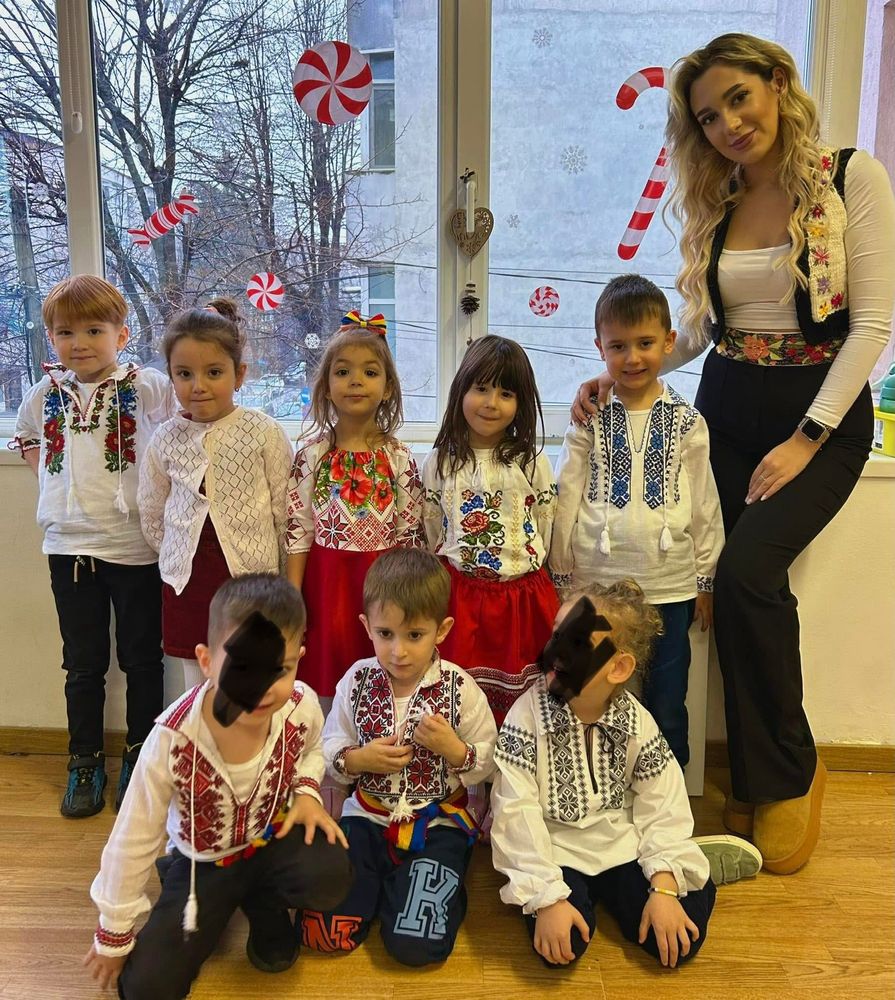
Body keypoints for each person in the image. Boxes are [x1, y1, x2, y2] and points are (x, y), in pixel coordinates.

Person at [574, 34, 895, 874]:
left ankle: (788, 773)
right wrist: (624, 372)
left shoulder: (848, 178)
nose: (726, 125)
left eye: (737, 99)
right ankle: (745, 777)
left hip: (818, 411)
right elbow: (703, 329)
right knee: (714, 588)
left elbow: (871, 326)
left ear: (777, 84)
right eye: (708, 116)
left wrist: (806, 438)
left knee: (751, 573)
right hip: (725, 402)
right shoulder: (718, 194)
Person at [84, 574, 353, 1000]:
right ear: (207, 662)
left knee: (331, 871)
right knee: (146, 988)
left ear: (298, 660)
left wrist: (306, 791)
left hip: (269, 840)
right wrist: (113, 933)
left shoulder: (300, 704)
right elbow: (133, 835)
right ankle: (205, 893)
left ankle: (262, 900)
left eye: (279, 669)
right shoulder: (173, 740)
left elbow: (312, 747)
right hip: (202, 863)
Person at [490, 581, 759, 970]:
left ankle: (688, 864)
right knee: (561, 948)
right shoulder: (527, 716)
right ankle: (663, 874)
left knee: (678, 941)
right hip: (558, 852)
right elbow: (514, 810)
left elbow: (661, 800)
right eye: (557, 635)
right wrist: (547, 897)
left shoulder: (635, 721)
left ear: (618, 668)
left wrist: (663, 888)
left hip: (624, 848)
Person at [12, 274, 176, 817]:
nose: (79, 342)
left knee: (141, 660)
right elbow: (28, 438)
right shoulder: (44, 393)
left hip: (135, 548)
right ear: (51, 338)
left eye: (93, 330)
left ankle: (140, 754)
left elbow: (181, 429)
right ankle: (84, 759)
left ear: (121, 335)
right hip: (69, 548)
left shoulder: (146, 385)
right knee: (82, 665)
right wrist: (51, 483)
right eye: (65, 332)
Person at [551, 274, 723, 768]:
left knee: (666, 702)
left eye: (645, 343)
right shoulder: (588, 418)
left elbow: (704, 503)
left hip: (669, 588)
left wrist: (705, 580)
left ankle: (667, 796)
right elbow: (566, 494)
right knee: (588, 691)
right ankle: (589, 785)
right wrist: (561, 575)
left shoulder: (687, 421)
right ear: (600, 348)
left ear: (668, 342)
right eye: (618, 346)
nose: (632, 358)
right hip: (595, 584)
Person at [302, 549, 497, 965]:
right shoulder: (356, 680)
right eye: (385, 633)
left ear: (441, 630)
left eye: (414, 635)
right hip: (366, 819)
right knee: (322, 933)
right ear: (366, 626)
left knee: (415, 945)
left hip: (437, 825)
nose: (398, 651)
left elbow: (489, 758)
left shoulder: (460, 688)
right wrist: (358, 760)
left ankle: (421, 885)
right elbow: (330, 745)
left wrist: (454, 750)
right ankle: (384, 883)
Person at [138, 299, 294, 695]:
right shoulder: (165, 438)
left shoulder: (263, 432)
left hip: (250, 580)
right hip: (188, 580)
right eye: (184, 374)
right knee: (198, 680)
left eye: (214, 372)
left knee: (250, 675)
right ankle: (200, 733)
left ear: (239, 375)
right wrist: (175, 552)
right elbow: (152, 509)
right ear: (171, 376)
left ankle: (249, 735)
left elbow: (284, 512)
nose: (198, 386)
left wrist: (277, 574)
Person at [286, 313, 424, 709]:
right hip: (326, 585)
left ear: (388, 387)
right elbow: (298, 531)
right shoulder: (311, 455)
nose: (356, 381)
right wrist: (293, 600)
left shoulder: (399, 457)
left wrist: (406, 600)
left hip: (382, 586)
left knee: (380, 679)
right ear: (326, 387)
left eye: (370, 372)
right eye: (343, 372)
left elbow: (409, 534)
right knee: (326, 684)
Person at [421, 335, 558, 725]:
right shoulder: (440, 461)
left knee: (525, 705)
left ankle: (513, 761)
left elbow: (545, 522)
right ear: (461, 390)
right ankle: (464, 762)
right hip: (460, 597)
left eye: (505, 393)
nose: (491, 403)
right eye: (480, 388)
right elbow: (432, 523)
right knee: (458, 699)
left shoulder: (531, 461)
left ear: (521, 402)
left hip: (522, 600)